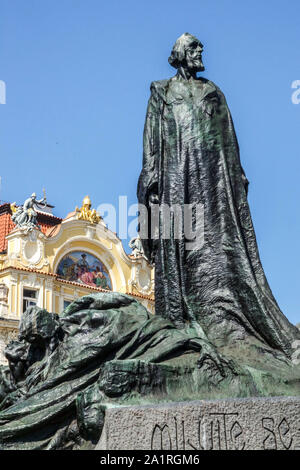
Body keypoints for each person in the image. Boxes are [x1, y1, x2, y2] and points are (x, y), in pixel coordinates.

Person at [137, 33, 300, 356]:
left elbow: (229, 139)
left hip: (213, 182)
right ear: (181, 54)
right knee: (178, 243)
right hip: (175, 178)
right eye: (194, 47)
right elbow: (151, 142)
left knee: (220, 244)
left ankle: (231, 321)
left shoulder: (213, 92)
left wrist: (236, 176)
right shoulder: (162, 91)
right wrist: (151, 180)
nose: (200, 51)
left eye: (200, 47)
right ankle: (181, 321)